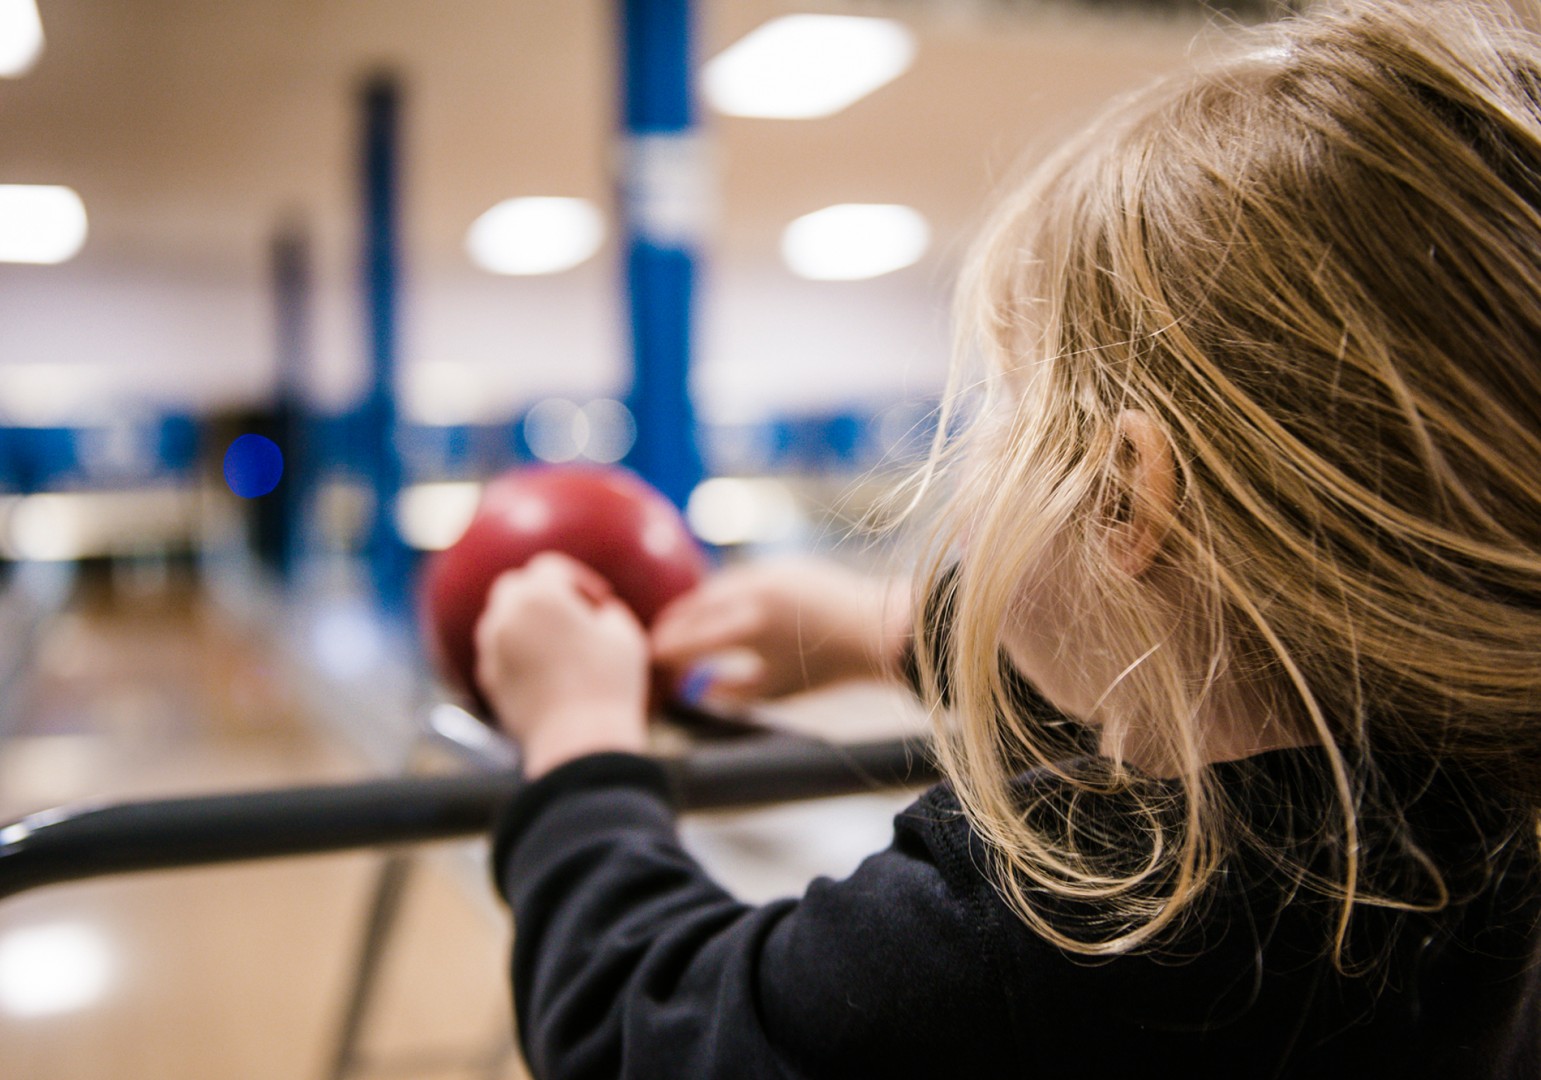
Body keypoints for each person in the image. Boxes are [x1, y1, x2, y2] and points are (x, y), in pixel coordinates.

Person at [472, 1, 1541, 1075]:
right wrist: (885, 631)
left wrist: (577, 743)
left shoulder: (1066, 915)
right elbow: (1211, 690)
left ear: (1125, 497)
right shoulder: (1476, 842)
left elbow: (642, 1029)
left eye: (1007, 407)